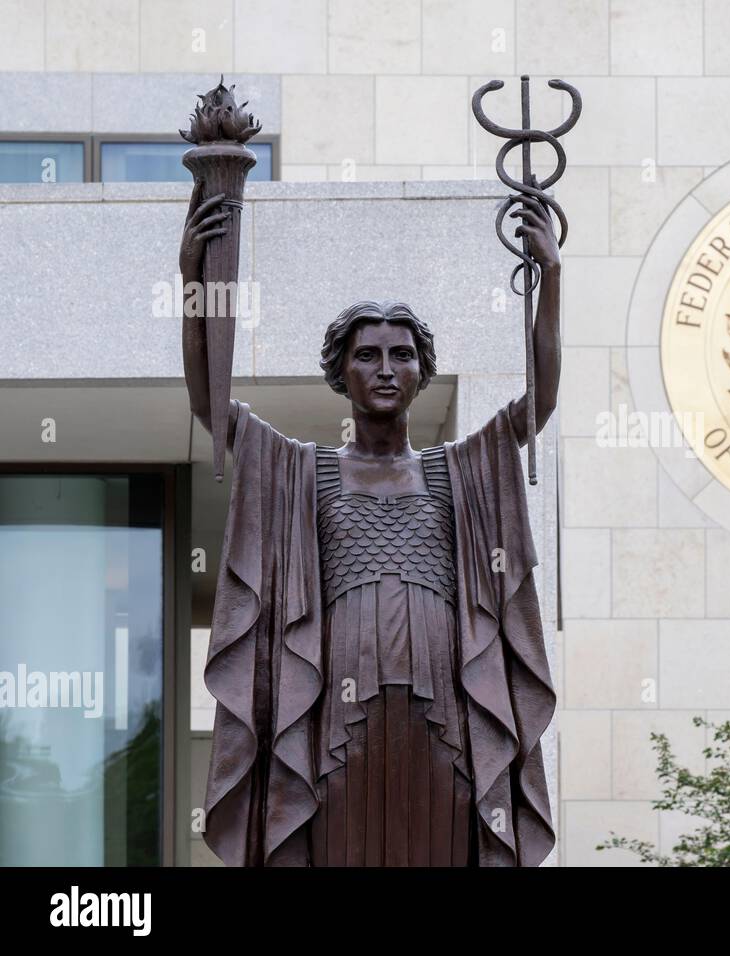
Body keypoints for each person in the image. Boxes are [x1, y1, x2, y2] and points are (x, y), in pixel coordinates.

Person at [180, 180, 562, 866]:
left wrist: (551, 277)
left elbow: (538, 403)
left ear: (422, 372)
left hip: (444, 711)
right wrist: (194, 279)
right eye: (367, 355)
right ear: (340, 373)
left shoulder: (459, 470)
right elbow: (212, 404)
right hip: (335, 719)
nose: (387, 369)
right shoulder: (299, 469)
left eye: (402, 355)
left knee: (443, 842)